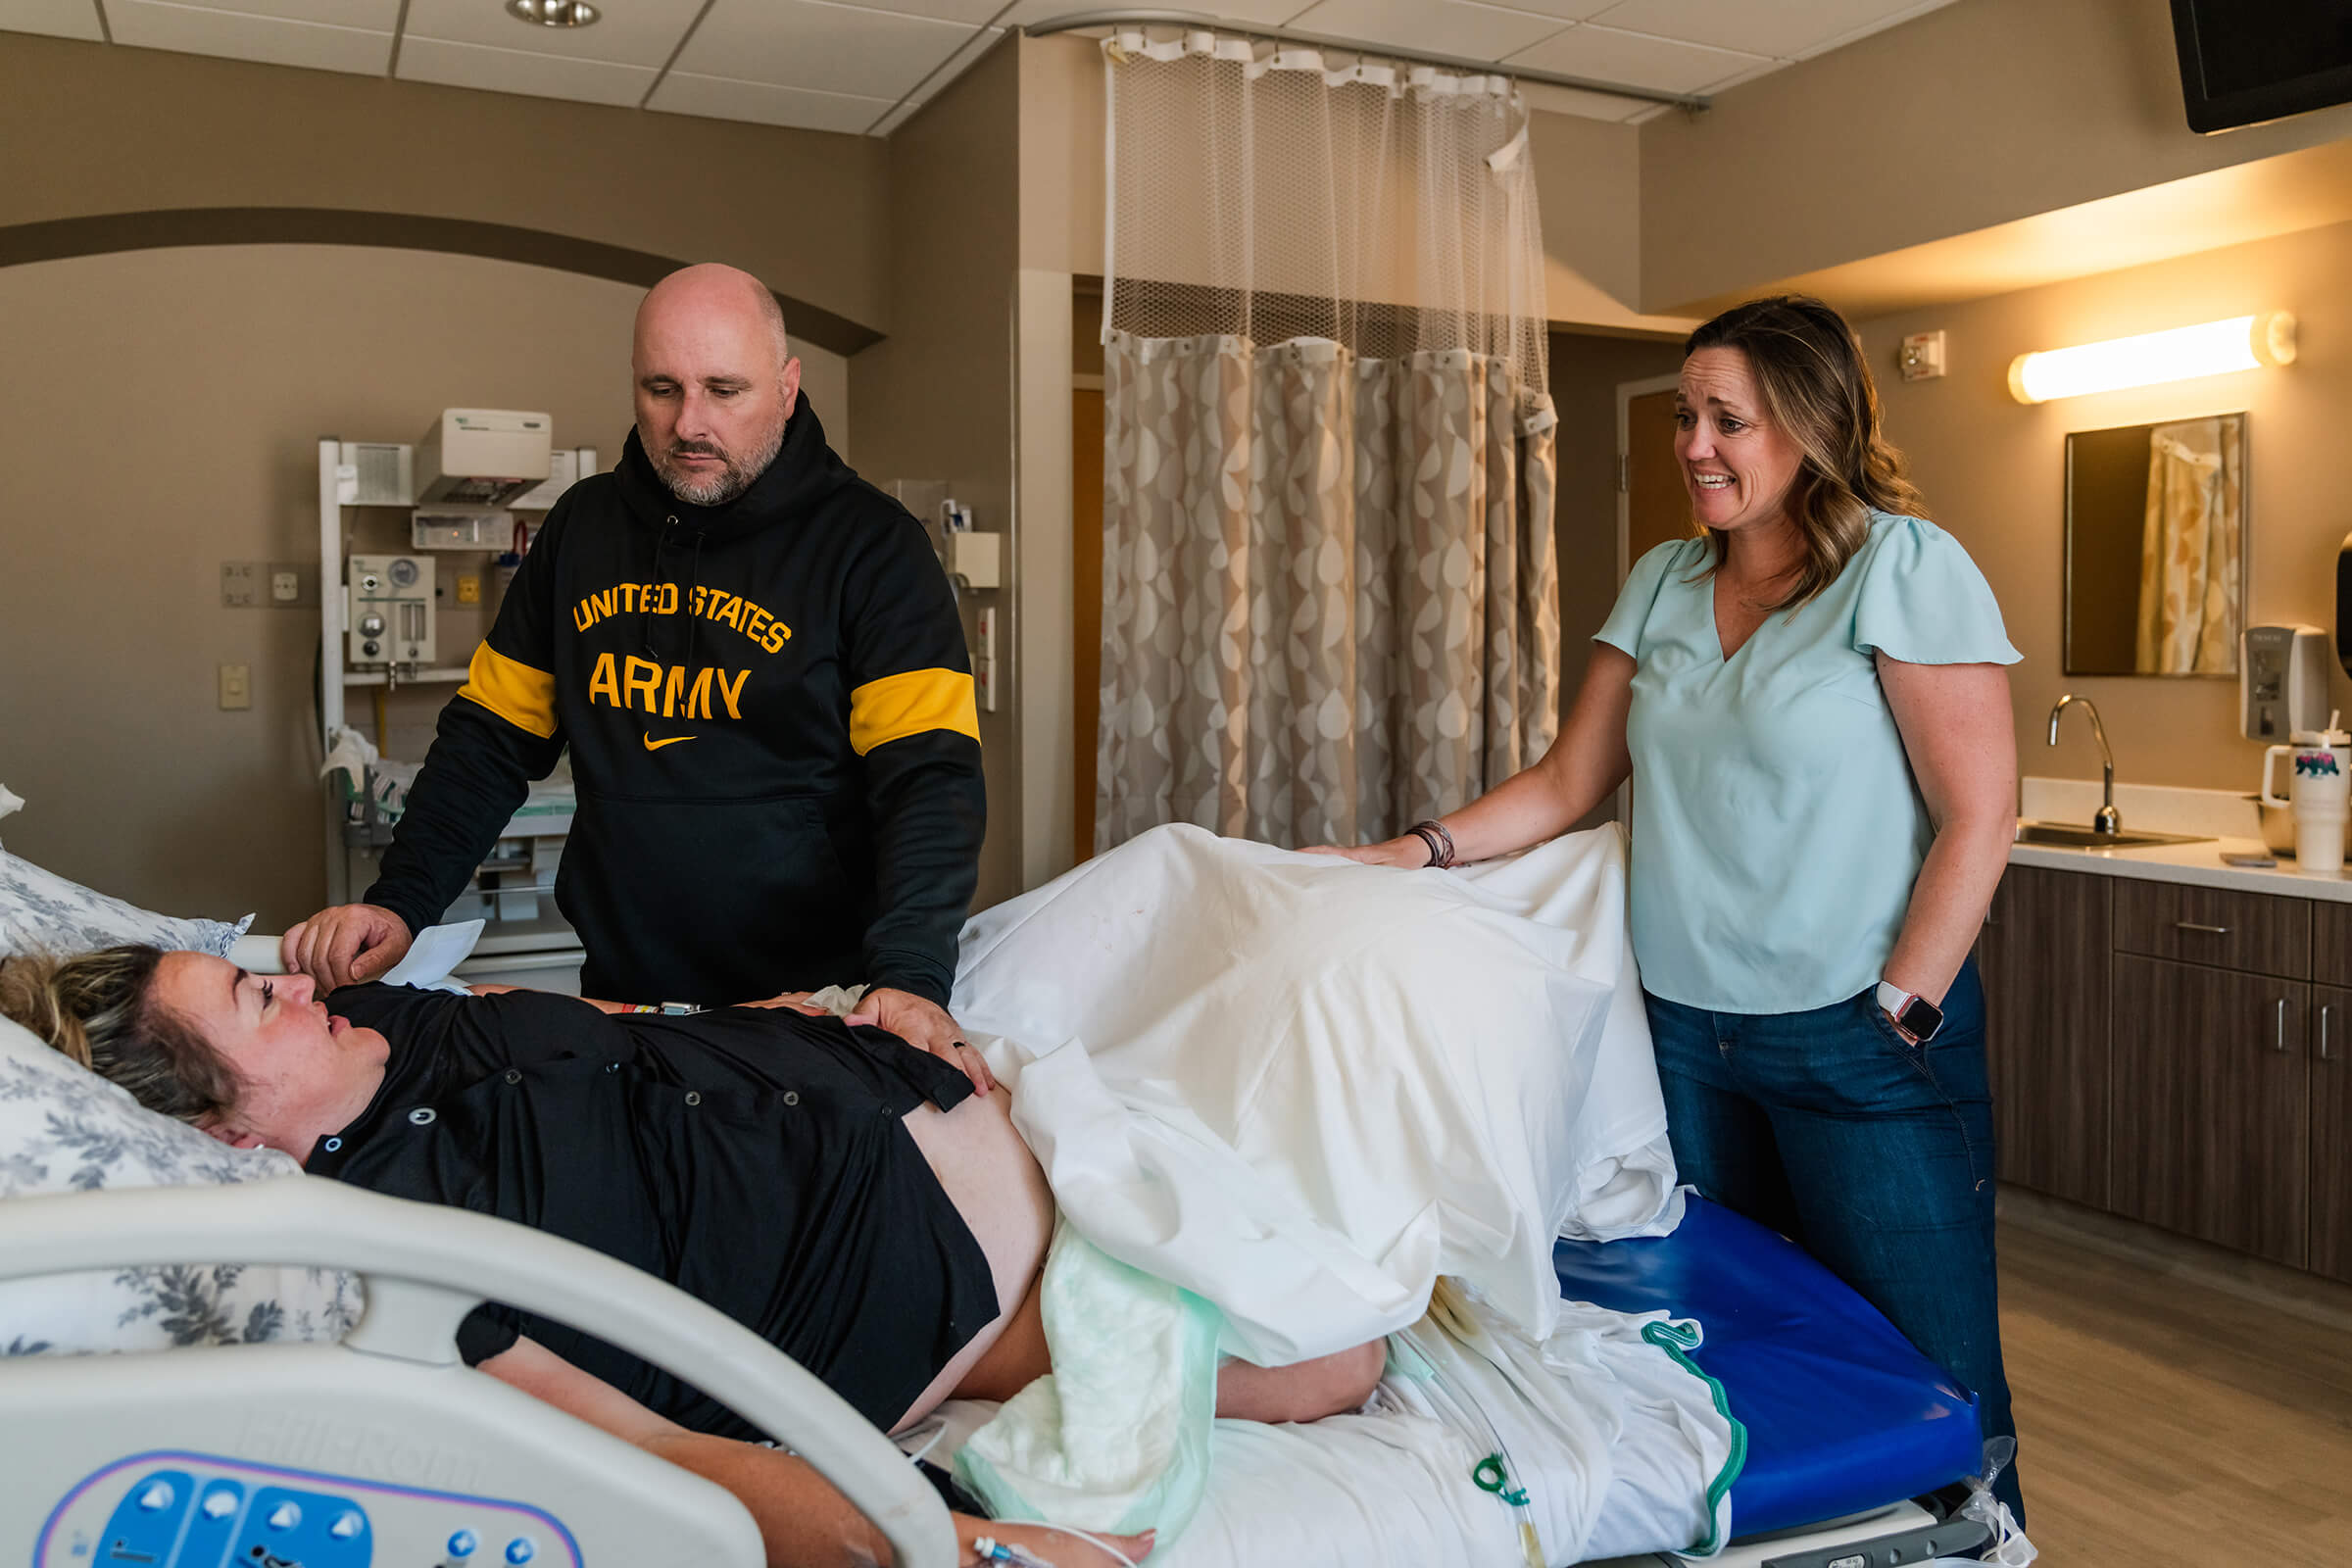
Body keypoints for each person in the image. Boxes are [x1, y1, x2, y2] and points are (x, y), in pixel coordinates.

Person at [1311, 295, 2027, 1522]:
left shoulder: (1903, 569)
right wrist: (1406, 855)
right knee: (1735, 1365)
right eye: (1687, 416)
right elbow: (1566, 784)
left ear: (1811, 425)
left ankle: (1994, 1549)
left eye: (1727, 420)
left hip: (1858, 1040)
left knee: (1932, 1386)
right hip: (1689, 1038)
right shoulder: (1662, 580)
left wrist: (1902, 1004)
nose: (1694, 443)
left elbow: (1983, 813)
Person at [0, 944, 1388, 1568]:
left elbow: (615, 1021)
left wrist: (812, 1010)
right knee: (1347, 1350)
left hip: (969, 1087)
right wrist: (955, 1547)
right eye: (257, 1001)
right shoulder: (388, 1267)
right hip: (989, 1272)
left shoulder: (383, 1026)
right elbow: (653, 1461)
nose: (291, 981)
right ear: (230, 1137)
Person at [288, 262, 990, 1091]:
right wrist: (400, 903)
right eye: (663, 388)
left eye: (725, 390)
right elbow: (487, 741)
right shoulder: (580, 531)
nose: (689, 423)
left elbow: (928, 782)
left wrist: (909, 978)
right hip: (627, 995)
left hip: (821, 1001)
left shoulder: (873, 546)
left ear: (789, 386)